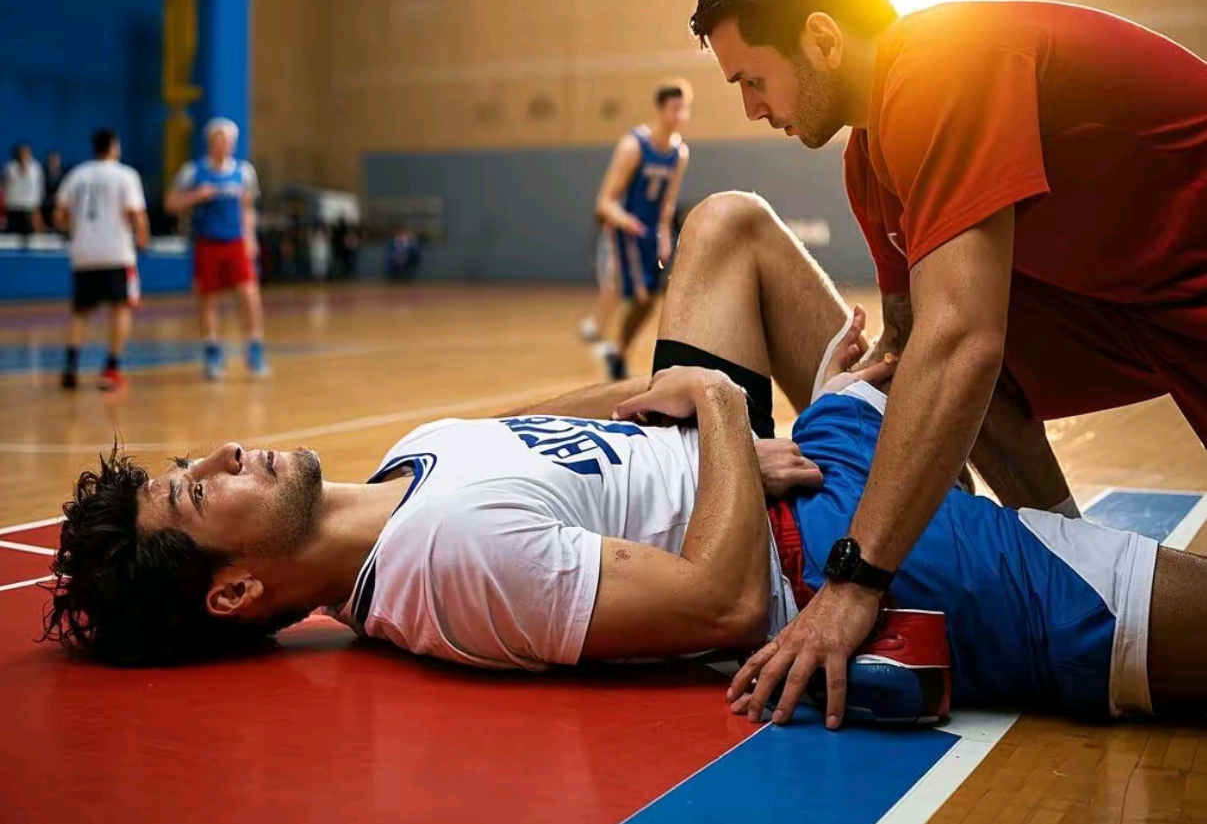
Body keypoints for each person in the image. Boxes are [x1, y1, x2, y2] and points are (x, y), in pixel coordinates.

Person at [43, 192, 1207, 727]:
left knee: (733, 227)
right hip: (824, 554)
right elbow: (720, 601)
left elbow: (573, 415)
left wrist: (707, 410)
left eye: (197, 461)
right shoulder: (445, 564)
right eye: (198, 489)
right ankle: (1051, 540)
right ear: (236, 590)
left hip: (787, 459)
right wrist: (718, 415)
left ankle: (1027, 491)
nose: (225, 452)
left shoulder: (413, 461)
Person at [689, 0, 1207, 723]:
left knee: (958, 346)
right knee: (945, 359)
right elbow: (912, 349)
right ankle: (1066, 543)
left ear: (821, 38)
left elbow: (960, 343)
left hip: (1164, 294)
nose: (752, 107)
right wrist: (841, 393)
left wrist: (853, 580)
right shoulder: (868, 162)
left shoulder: (938, 62)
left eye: (752, 79)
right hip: (1146, 309)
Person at [580, 80, 692, 380]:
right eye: (675, 108)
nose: (681, 114)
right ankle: (610, 344)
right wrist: (625, 221)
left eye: (685, 108)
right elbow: (605, 201)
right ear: (660, 109)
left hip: (652, 233)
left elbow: (668, 202)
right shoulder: (633, 146)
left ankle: (618, 352)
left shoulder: (679, 152)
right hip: (627, 231)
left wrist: (665, 236)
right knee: (640, 296)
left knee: (651, 299)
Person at [166, 118, 267, 379]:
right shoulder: (193, 171)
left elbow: (247, 209)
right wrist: (195, 197)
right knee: (208, 298)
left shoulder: (243, 172)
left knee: (249, 295)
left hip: (235, 241)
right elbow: (171, 203)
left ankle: (254, 346)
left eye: (229, 141)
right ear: (211, 142)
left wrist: (250, 238)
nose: (225, 145)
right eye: (220, 140)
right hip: (207, 242)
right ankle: (212, 351)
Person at [54, 130, 149, 391]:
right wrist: (143, 240)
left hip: (83, 253)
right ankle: (111, 369)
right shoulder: (126, 175)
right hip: (116, 252)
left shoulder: (77, 175)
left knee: (80, 311)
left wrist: (76, 232)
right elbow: (137, 214)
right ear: (114, 146)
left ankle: (71, 366)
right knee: (121, 308)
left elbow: (59, 215)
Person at [4, 142, 45, 238]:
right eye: (22, 153)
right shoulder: (10, 168)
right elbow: (6, 187)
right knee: (12, 236)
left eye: (26, 153)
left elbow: (39, 188)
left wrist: (37, 207)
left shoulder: (36, 168)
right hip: (14, 208)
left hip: (30, 208)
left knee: (30, 235)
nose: (24, 155)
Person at [41, 150, 65, 232]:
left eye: (56, 160)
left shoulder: (65, 175)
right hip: (46, 205)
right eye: (52, 161)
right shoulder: (43, 175)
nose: (54, 163)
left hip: (60, 203)